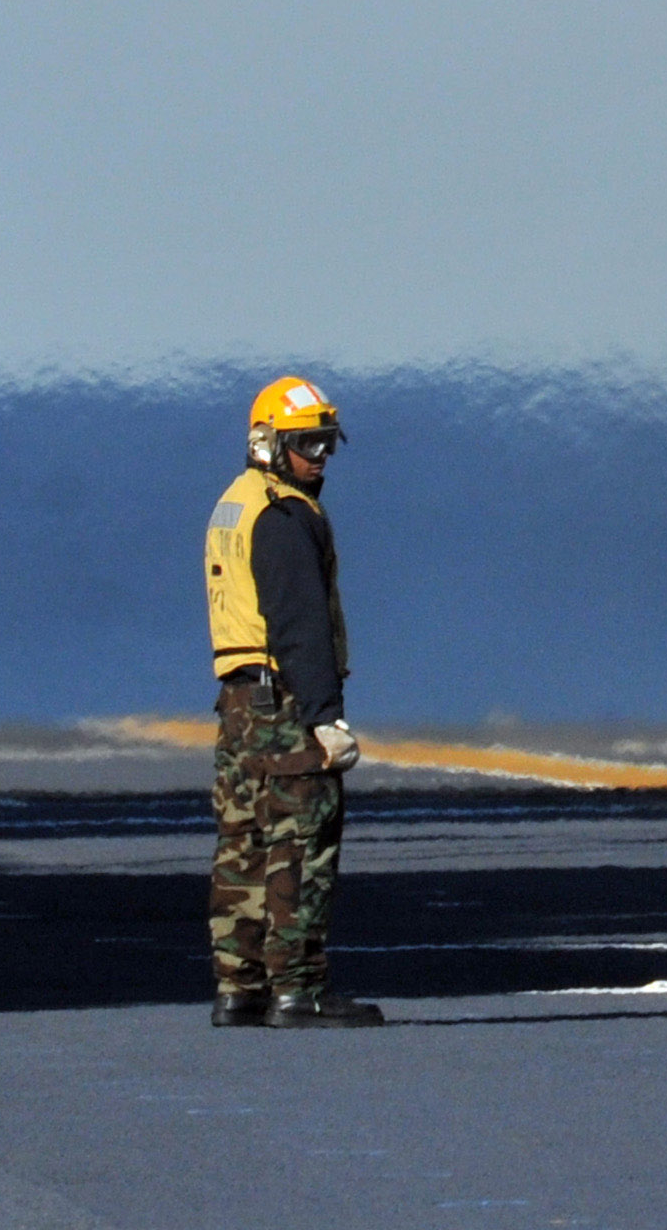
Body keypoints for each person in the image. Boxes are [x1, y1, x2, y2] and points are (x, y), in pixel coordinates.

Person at [203, 376, 378, 1027]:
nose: (319, 457)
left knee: (244, 842)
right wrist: (325, 717)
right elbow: (300, 623)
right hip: (284, 703)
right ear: (268, 444)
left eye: (326, 443)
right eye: (307, 444)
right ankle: (297, 989)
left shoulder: (234, 503)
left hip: (239, 702)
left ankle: (238, 986)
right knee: (301, 839)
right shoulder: (283, 515)